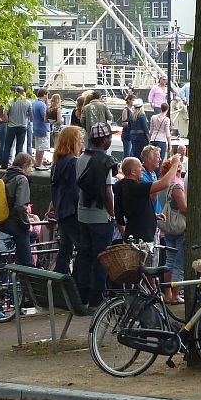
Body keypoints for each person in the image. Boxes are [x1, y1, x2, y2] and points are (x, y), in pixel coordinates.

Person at [75, 123, 118, 308]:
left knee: (84, 257)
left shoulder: (81, 158)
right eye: (109, 137)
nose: (110, 140)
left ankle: (81, 296)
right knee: (101, 259)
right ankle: (97, 300)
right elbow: (108, 193)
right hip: (100, 217)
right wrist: (114, 214)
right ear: (103, 140)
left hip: (82, 215)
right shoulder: (104, 160)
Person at [115, 153, 179, 244]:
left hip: (133, 235)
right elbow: (165, 183)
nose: (143, 169)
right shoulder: (135, 187)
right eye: (140, 167)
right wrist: (175, 164)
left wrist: (153, 216)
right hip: (141, 239)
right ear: (133, 172)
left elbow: (134, 209)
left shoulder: (121, 185)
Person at [50, 126, 82, 275]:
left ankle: (59, 280)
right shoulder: (74, 162)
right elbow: (76, 190)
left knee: (65, 248)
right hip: (72, 212)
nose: (82, 141)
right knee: (82, 248)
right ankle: (76, 283)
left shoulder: (57, 162)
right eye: (79, 138)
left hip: (61, 211)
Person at [159, 155, 188, 303]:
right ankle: (174, 295)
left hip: (169, 228)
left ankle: (167, 294)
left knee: (169, 261)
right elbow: (183, 208)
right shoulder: (177, 186)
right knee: (178, 263)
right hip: (179, 228)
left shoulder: (164, 184)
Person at [2, 153, 37, 267]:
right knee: (28, 263)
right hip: (15, 223)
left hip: (3, 220)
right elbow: (20, 206)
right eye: (31, 166)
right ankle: (26, 276)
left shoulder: (6, 176)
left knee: (34, 235)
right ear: (25, 165)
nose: (32, 170)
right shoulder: (22, 179)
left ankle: (17, 262)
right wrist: (27, 225)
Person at [0, 86, 31, 169]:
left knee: (7, 146)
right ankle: (18, 166)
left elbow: (5, 112)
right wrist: (24, 115)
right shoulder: (27, 102)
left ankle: (4, 164)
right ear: (23, 92)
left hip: (11, 126)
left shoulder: (10, 101)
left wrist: (7, 119)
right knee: (19, 146)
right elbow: (31, 114)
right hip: (23, 126)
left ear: (15, 92)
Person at [31, 88, 50, 170]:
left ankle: (36, 162)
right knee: (42, 147)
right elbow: (44, 117)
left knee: (38, 147)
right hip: (43, 128)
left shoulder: (34, 103)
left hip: (36, 127)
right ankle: (39, 164)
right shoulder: (42, 105)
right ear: (45, 94)